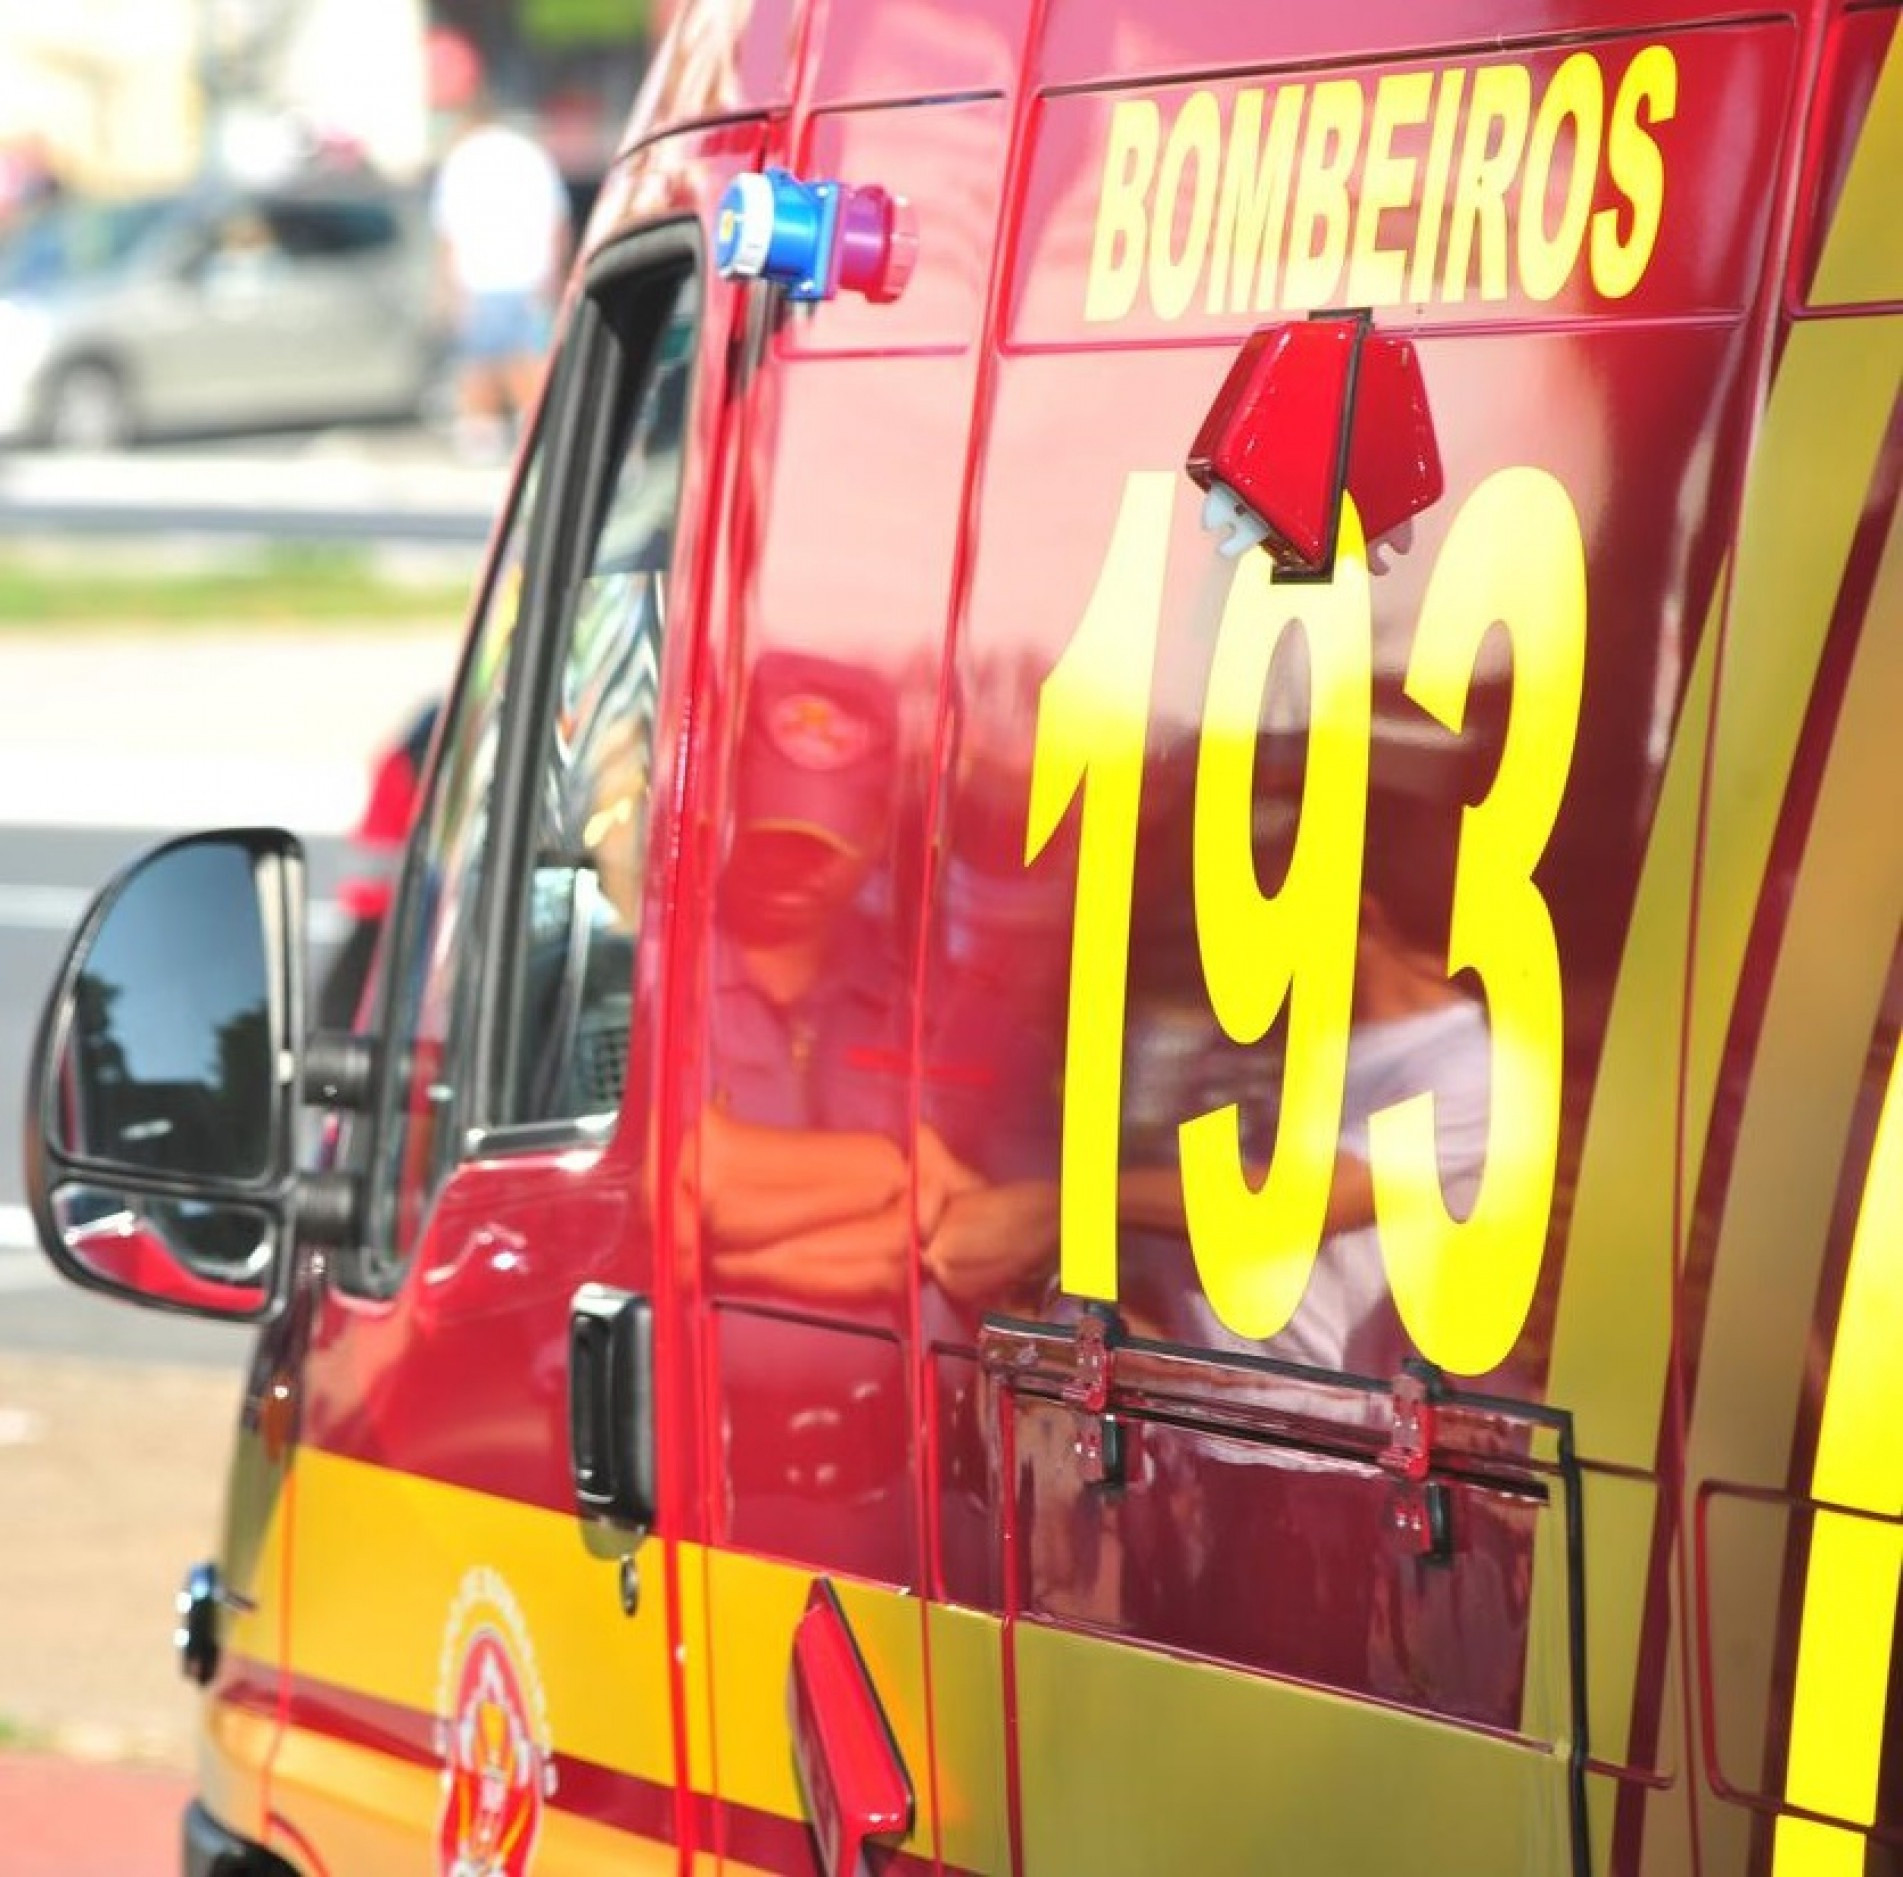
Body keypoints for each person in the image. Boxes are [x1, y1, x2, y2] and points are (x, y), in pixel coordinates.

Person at [429, 88, 571, 460]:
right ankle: (537, 436)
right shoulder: (530, 155)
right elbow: (559, 220)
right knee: (530, 361)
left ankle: (482, 443)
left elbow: (447, 232)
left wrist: (447, 290)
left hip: (479, 278)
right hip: (531, 276)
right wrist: (556, 274)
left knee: (481, 365)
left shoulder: (461, 159)